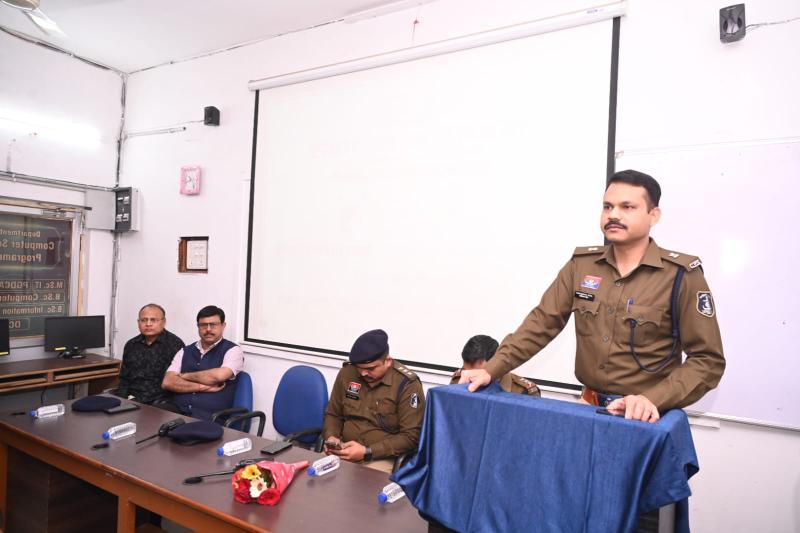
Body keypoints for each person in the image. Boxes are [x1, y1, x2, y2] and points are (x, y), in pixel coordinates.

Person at [459, 170, 725, 422]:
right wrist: (491, 369)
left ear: (653, 215)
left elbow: (707, 361)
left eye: (627, 207)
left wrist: (652, 399)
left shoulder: (680, 275)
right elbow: (540, 324)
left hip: (645, 416)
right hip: (588, 408)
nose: (613, 215)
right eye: (607, 206)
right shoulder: (582, 265)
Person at [323, 329, 425, 473]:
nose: (363, 373)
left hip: (379, 457)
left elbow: (411, 437)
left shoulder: (407, 385)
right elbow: (334, 414)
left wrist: (367, 451)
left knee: (362, 486)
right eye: (359, 368)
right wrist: (331, 437)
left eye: (370, 368)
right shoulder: (347, 373)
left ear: (387, 361)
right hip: (343, 449)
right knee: (314, 478)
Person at [161, 305, 244, 421]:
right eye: (203, 325)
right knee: (149, 420)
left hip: (209, 418)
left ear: (223, 326)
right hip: (177, 411)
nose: (208, 329)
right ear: (198, 326)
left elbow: (218, 377)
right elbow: (167, 382)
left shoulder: (233, 350)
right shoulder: (185, 351)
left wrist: (184, 376)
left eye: (213, 324)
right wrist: (202, 387)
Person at [112, 303, 185, 404]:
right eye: (144, 320)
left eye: (153, 320)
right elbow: (124, 379)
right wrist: (121, 401)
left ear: (164, 322)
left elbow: (179, 380)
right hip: (133, 398)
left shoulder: (175, 344)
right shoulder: (131, 344)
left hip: (162, 402)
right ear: (138, 322)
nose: (148, 324)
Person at [450, 335, 539, 396]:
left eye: (476, 373)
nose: (469, 378)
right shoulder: (459, 379)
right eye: (466, 370)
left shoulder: (523, 392)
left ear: (495, 364)